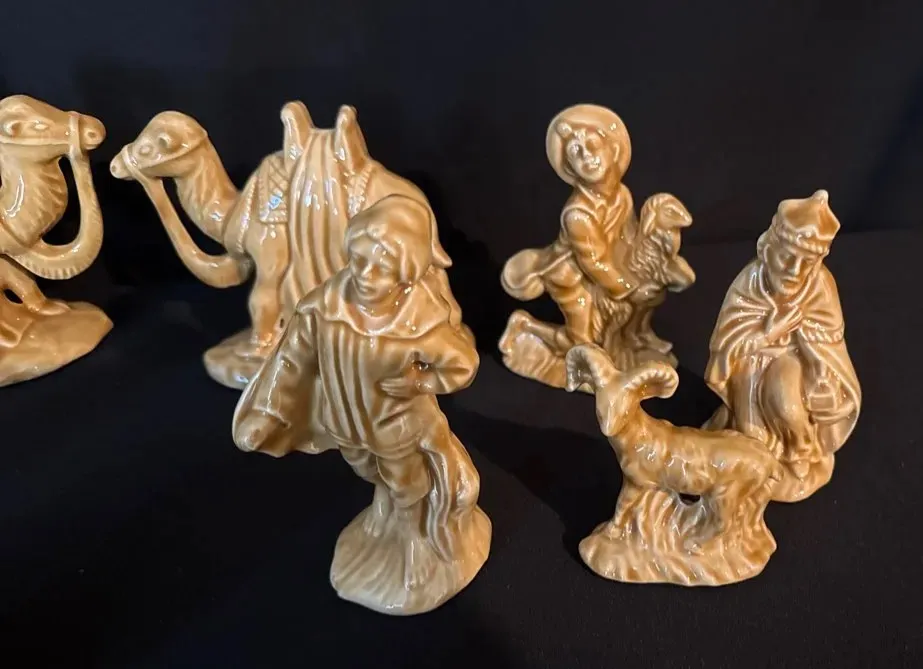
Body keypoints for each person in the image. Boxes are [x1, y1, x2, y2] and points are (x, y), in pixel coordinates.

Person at [232, 194, 487, 604]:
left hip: (396, 424)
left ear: (405, 273)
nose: (366, 275)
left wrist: (420, 383)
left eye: (381, 268)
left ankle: (415, 542)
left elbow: (462, 364)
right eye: (359, 261)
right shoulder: (323, 308)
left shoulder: (419, 321)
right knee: (368, 471)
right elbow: (290, 360)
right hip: (345, 421)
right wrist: (267, 412)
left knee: (406, 483)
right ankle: (384, 508)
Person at [704, 190, 861, 500]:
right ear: (766, 248)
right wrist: (768, 333)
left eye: (806, 263)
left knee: (787, 402)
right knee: (750, 422)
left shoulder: (820, 287)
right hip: (750, 360)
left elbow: (827, 342)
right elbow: (727, 343)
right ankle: (753, 455)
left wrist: (819, 369)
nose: (793, 270)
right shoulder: (751, 281)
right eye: (786, 256)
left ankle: (799, 449)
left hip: (795, 361)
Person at [501, 104, 636, 352]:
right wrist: (625, 288)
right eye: (576, 152)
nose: (587, 156)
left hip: (603, 275)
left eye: (593, 145)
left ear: (614, 149)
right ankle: (525, 325)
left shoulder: (622, 195)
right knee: (580, 343)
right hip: (571, 277)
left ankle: (623, 346)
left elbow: (628, 238)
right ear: (570, 168)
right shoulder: (578, 215)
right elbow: (593, 262)